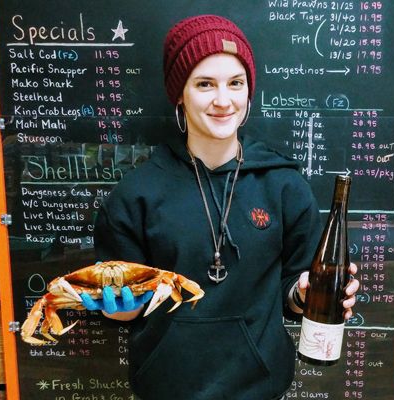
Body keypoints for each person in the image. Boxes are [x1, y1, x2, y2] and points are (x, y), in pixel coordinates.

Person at [83, 14, 359, 400]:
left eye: (235, 83)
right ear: (179, 93)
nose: (223, 100)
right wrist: (117, 308)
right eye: (204, 84)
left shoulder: (284, 185)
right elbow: (123, 307)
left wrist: (304, 293)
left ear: (249, 91)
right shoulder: (136, 194)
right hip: (167, 386)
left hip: (260, 385)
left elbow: (292, 293)